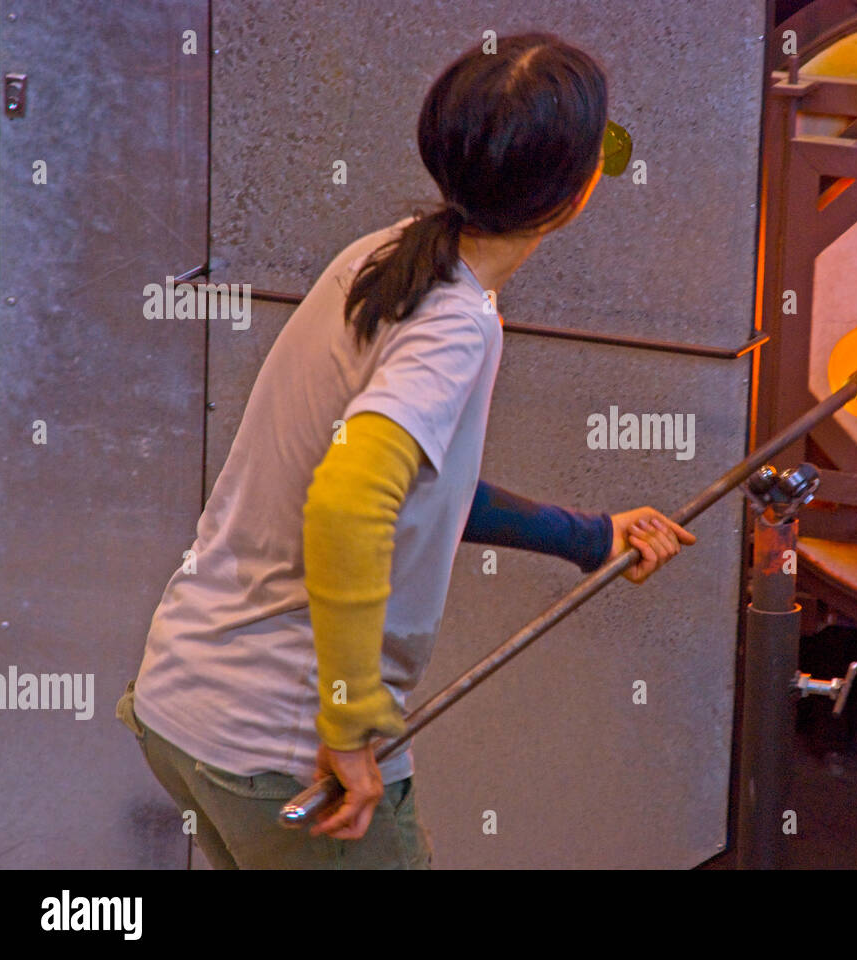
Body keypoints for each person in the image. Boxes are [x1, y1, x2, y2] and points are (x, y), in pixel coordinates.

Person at [116, 33, 695, 869]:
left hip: (186, 708)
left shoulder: (387, 256)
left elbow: (419, 486)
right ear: (575, 195)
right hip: (281, 745)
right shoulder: (452, 324)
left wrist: (589, 535)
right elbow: (349, 501)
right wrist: (349, 724)